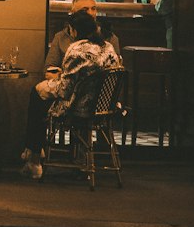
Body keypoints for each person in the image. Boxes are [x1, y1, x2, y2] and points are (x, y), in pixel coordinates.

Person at [20, 9, 122, 178]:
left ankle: (34, 156)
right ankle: (33, 152)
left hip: (78, 108)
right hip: (103, 108)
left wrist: (56, 78)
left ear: (74, 30)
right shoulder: (109, 48)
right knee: (41, 93)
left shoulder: (76, 50)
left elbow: (65, 89)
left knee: (37, 93)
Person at [44, 0, 122, 71]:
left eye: (93, 9)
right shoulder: (60, 38)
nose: (91, 13)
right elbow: (49, 68)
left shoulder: (109, 38)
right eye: (85, 10)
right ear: (74, 12)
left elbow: (116, 71)